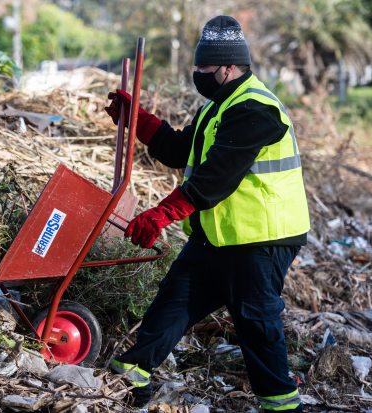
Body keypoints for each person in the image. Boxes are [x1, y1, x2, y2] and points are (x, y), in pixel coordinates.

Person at [104, 15, 310, 412]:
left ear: (229, 68)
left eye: (204, 68)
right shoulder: (220, 106)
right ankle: (131, 381)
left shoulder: (256, 109)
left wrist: (161, 215)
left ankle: (282, 406)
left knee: (257, 330)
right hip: (216, 238)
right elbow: (181, 150)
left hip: (259, 242)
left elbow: (215, 178)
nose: (198, 74)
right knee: (169, 309)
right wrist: (138, 121)